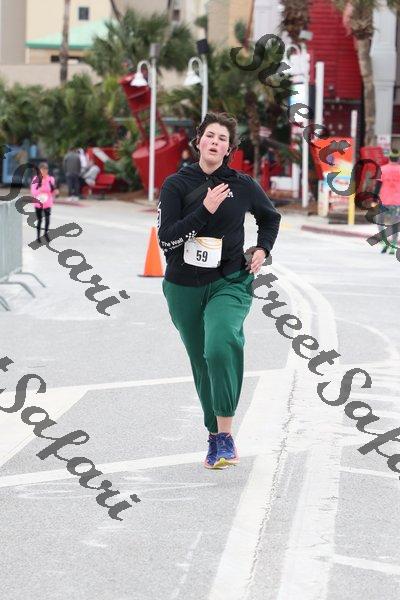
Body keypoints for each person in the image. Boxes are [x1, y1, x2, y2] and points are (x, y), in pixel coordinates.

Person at [157, 112, 281, 470]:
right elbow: (167, 239)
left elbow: (270, 217)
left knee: (220, 344)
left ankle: (226, 435)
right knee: (201, 362)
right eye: (210, 135)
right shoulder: (176, 185)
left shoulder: (242, 185)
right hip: (183, 286)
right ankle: (214, 436)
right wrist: (205, 209)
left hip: (230, 280)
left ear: (229, 148)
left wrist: (262, 248)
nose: (215, 142)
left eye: (223, 138)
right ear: (199, 141)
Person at [30, 162, 59, 243]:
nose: (44, 171)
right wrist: (40, 190)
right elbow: (33, 191)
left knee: (47, 219)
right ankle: (38, 237)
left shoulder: (51, 179)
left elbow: (52, 190)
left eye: (46, 169)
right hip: (38, 202)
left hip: (47, 202)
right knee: (39, 220)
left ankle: (46, 235)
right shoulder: (36, 179)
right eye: (42, 170)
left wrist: (56, 192)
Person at [379, 149, 400, 255]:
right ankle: (393, 246)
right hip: (397, 201)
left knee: (380, 221)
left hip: (384, 200)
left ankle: (384, 242)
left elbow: (378, 185)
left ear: (389, 158)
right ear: (398, 158)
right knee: (395, 224)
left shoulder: (382, 169)